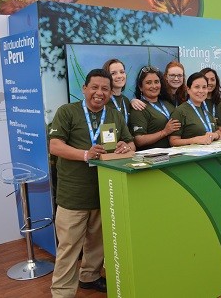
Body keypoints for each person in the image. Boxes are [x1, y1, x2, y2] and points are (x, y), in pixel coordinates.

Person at [49, 69, 135, 297]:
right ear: (84, 89)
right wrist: (85, 154)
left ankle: (89, 276)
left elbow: (130, 142)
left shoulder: (114, 115)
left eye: (105, 89)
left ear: (110, 92)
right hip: (73, 193)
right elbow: (55, 146)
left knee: (97, 242)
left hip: (105, 190)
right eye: (94, 87)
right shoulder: (67, 112)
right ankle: (62, 292)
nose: (99, 93)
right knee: (69, 247)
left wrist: (127, 148)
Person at [129, 66, 180, 149]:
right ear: (140, 87)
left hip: (175, 154)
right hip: (153, 158)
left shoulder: (168, 103)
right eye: (149, 83)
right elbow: (139, 140)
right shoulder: (139, 107)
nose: (154, 86)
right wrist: (165, 132)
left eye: (156, 82)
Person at [169, 72, 221, 146]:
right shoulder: (180, 112)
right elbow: (173, 141)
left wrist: (215, 135)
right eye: (197, 87)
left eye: (204, 87)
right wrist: (194, 140)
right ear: (188, 89)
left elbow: (220, 134)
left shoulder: (206, 112)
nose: (201, 91)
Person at [102, 58, 145, 123]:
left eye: (122, 72)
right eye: (113, 73)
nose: (119, 76)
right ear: (106, 76)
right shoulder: (103, 100)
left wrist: (132, 101)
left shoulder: (126, 100)